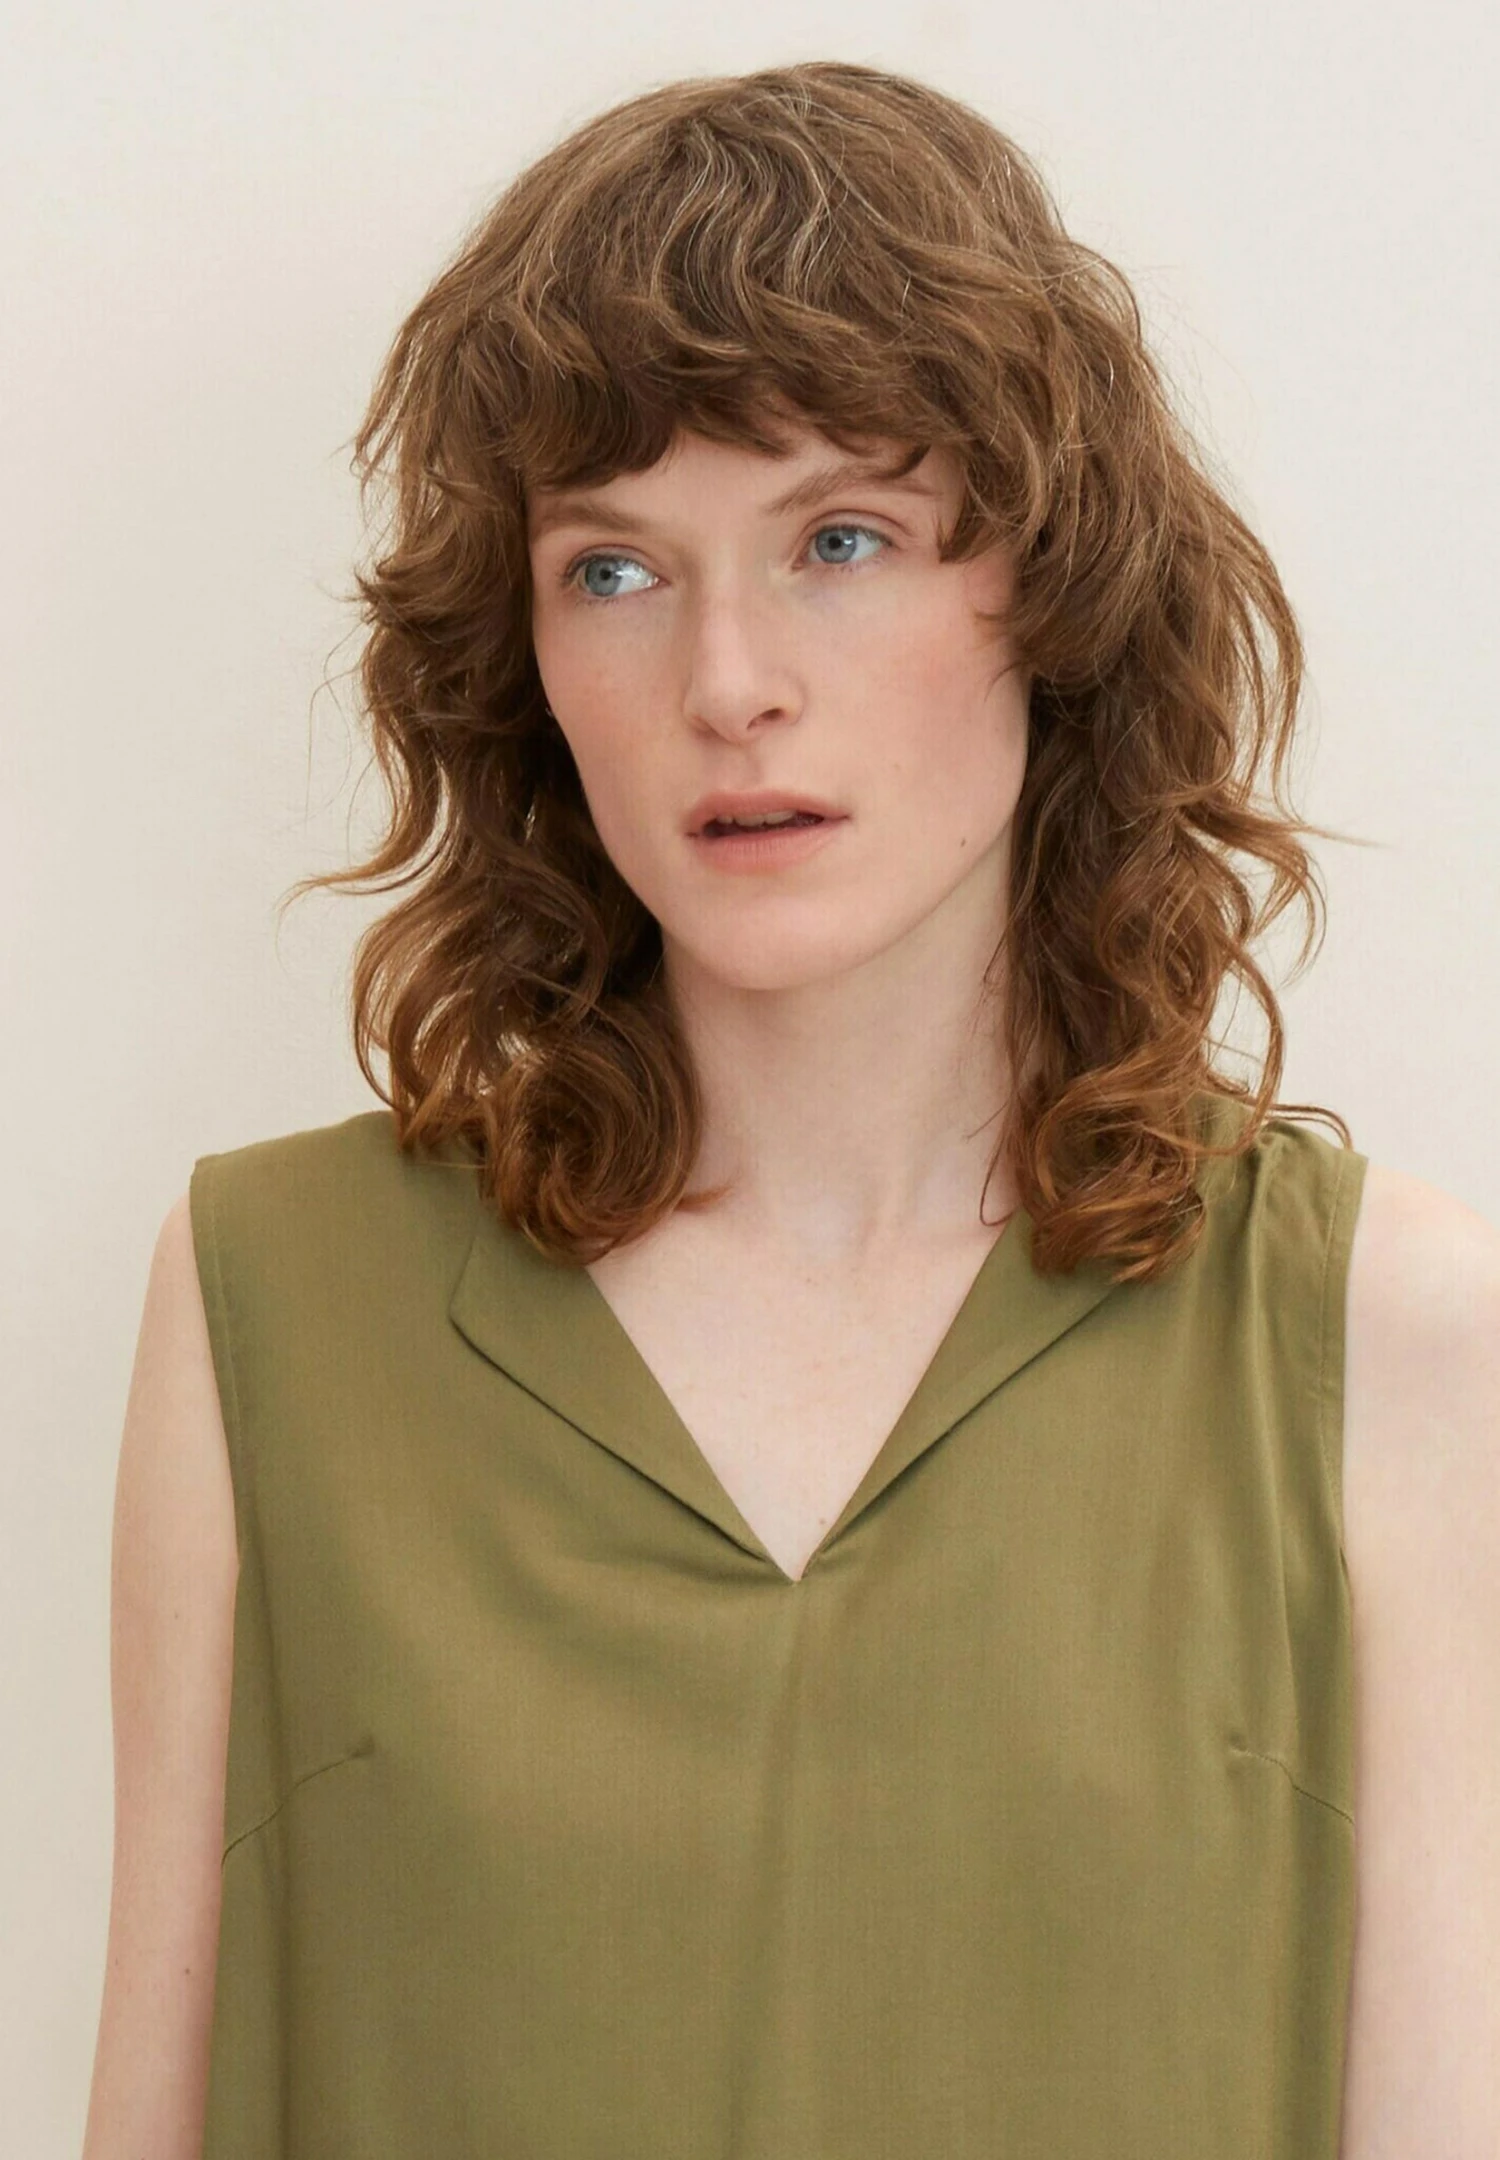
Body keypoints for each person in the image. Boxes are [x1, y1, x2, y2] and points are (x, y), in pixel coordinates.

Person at [83, 58, 1500, 2160]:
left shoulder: (1383, 1329)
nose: (727, 680)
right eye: (615, 570)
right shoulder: (270, 1302)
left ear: (1050, 597)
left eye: (841, 539)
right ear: (523, 657)